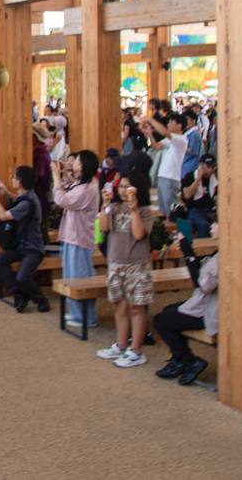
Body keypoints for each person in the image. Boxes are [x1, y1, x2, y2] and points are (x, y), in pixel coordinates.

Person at [96, 158, 154, 368]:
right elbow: (103, 228)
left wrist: (134, 209)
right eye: (120, 186)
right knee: (119, 306)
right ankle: (121, 345)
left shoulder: (145, 211)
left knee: (137, 308)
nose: (122, 190)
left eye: (127, 187)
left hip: (138, 265)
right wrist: (104, 205)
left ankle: (136, 351)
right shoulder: (115, 208)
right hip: (116, 263)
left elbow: (139, 234)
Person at [152, 224, 219, 386]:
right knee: (169, 310)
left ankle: (189, 361)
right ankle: (178, 359)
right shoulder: (221, 251)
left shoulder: (222, 257)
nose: (211, 226)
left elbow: (201, 284)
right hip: (208, 301)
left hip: (213, 310)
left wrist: (188, 253)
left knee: (161, 320)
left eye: (216, 223)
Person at [53, 150, 100, 329]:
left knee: (80, 278)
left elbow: (62, 200)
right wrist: (63, 174)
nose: (74, 164)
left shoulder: (88, 188)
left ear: (85, 165)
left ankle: (87, 317)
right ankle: (77, 314)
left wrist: (55, 176)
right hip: (73, 236)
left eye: (77, 161)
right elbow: (69, 189)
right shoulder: (83, 183)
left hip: (79, 238)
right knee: (71, 277)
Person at [0, 165, 49, 313]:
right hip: (21, 246)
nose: (12, 178)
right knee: (0, 260)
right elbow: (18, 198)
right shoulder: (28, 195)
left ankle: (41, 300)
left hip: (33, 248)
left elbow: (3, 216)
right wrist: (7, 192)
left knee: (22, 277)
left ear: (21, 182)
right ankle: (19, 293)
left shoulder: (27, 202)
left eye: (14, 177)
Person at [143, 113, 188, 216]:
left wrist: (150, 119)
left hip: (171, 178)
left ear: (179, 126)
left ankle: (177, 231)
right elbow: (156, 146)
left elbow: (164, 132)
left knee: (171, 211)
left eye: (171, 122)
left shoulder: (181, 139)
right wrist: (149, 134)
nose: (168, 124)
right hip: (163, 176)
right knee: (163, 210)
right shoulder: (170, 140)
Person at [179, 154, 218, 239]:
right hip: (195, 210)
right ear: (201, 165)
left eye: (212, 167)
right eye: (208, 167)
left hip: (210, 210)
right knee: (204, 225)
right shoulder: (190, 176)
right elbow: (187, 195)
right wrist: (198, 178)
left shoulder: (214, 178)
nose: (210, 170)